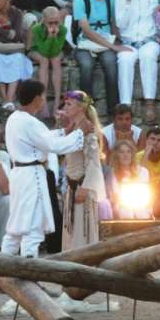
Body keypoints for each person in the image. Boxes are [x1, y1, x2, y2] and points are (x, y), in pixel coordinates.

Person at [0, 80, 86, 258]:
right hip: (32, 176)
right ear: (37, 98)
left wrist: (64, 131)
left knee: (16, 227)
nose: (44, 100)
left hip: (19, 175)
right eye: (43, 96)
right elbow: (52, 145)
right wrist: (80, 133)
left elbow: (41, 138)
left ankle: (0, 266)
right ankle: (27, 271)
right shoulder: (30, 122)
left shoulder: (14, 118)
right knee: (33, 226)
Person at [114, 0, 160, 122]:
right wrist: (128, 2)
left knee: (148, 57)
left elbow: (151, 18)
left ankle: (150, 102)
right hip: (128, 40)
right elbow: (121, 24)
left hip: (148, 40)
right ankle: (125, 106)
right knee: (125, 60)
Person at [61, 90, 106, 250]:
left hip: (82, 187)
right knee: (72, 230)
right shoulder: (73, 130)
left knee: (82, 230)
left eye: (69, 104)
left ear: (80, 107)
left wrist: (85, 187)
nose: (65, 107)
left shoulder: (89, 131)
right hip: (72, 185)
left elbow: (93, 163)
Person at [72, 0, 120, 114]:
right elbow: (85, 28)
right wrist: (108, 44)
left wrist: (115, 41)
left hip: (106, 41)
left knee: (111, 65)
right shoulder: (80, 0)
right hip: (85, 42)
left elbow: (114, 23)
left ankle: (114, 111)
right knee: (86, 67)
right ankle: (86, 111)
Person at [27, 6, 67, 116]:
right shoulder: (36, 29)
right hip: (36, 50)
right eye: (50, 23)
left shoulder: (63, 29)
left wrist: (53, 38)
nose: (54, 26)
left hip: (54, 51)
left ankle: (57, 102)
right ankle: (43, 101)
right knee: (44, 60)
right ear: (44, 21)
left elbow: (56, 50)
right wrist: (50, 37)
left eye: (56, 22)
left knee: (55, 60)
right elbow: (43, 51)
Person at [105, 139, 150, 219]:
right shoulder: (111, 173)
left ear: (132, 154)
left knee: (141, 212)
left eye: (128, 151)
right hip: (120, 205)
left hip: (140, 204)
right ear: (116, 155)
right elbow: (112, 197)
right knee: (126, 213)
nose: (125, 155)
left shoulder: (143, 171)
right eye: (121, 152)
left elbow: (146, 195)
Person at [136, 126, 160, 217]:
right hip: (146, 192)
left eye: (159, 140)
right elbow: (140, 177)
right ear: (146, 141)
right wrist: (147, 154)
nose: (155, 143)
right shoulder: (138, 156)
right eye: (152, 139)